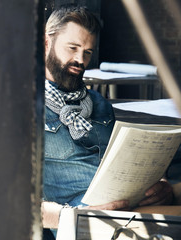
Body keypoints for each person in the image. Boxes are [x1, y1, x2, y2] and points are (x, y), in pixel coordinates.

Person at [41, 4, 179, 238]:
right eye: (72, 48)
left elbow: (122, 162)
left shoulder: (98, 102)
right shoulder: (25, 107)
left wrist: (159, 184)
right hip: (80, 220)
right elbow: (7, 197)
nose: (80, 60)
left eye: (87, 52)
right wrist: (68, 216)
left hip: (128, 205)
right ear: (46, 43)